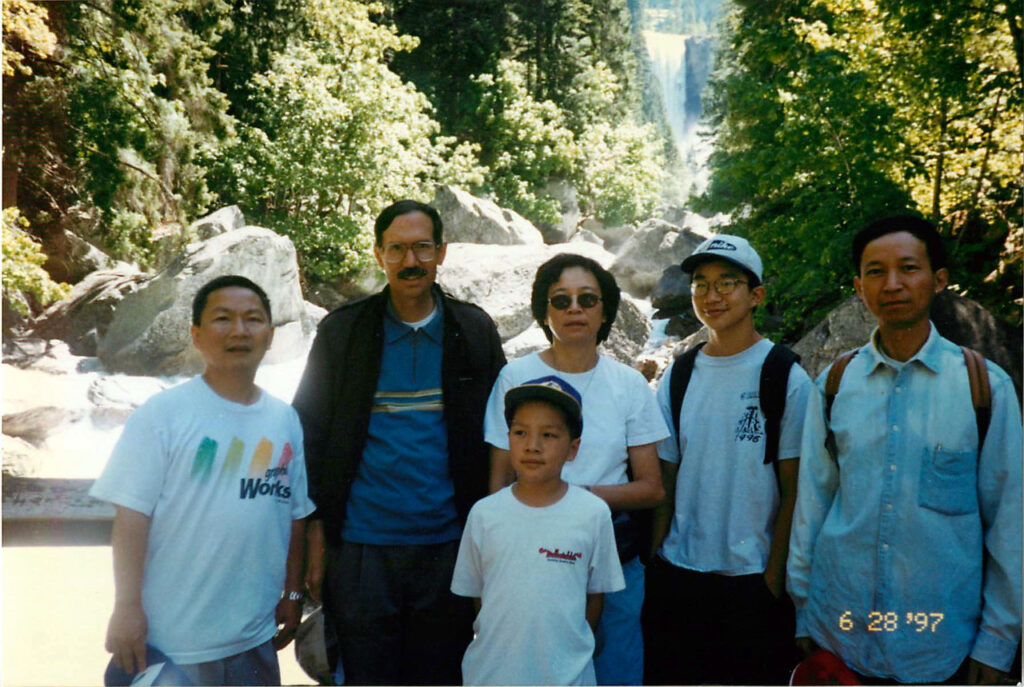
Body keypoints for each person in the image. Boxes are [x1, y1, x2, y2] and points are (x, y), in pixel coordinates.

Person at [787, 216, 1022, 684]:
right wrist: (804, 608)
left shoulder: (985, 388)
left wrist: (999, 640)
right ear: (858, 286)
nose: (892, 284)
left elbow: (1010, 521)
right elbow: (813, 503)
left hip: (941, 643)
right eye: (875, 272)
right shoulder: (834, 384)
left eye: (908, 268)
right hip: (840, 632)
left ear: (938, 279)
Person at [292, 199, 506, 685]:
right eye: (397, 250)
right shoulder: (343, 332)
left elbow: (500, 438)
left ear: (442, 252)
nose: (411, 262)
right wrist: (315, 534)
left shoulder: (473, 331)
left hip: (450, 547)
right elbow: (310, 433)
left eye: (422, 248)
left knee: (443, 674)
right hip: (363, 547)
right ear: (379, 255)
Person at [91, 275, 316, 686]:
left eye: (252, 319)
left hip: (254, 641)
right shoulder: (162, 416)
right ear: (196, 335)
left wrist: (293, 593)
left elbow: (294, 514)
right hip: (171, 643)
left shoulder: (284, 420)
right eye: (222, 319)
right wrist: (126, 607)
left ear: (270, 335)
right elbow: (131, 520)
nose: (239, 330)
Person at [482, 253, 668, 685]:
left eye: (587, 299)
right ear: (544, 312)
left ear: (605, 311)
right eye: (560, 301)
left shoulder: (629, 385)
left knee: (616, 671)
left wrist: (572, 498)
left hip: (616, 555)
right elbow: (497, 483)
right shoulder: (516, 379)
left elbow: (652, 488)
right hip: (532, 560)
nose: (574, 310)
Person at [643, 235, 812, 684]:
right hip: (679, 575)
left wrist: (773, 581)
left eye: (727, 283)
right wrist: (656, 558)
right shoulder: (679, 373)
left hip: (751, 579)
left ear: (756, 295)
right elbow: (667, 472)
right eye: (701, 283)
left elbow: (796, 488)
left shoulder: (785, 375)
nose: (711, 295)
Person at [453, 376, 625, 685]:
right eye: (521, 433)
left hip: (567, 677)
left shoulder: (592, 513)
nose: (532, 446)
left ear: (573, 448)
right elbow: (478, 597)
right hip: (492, 675)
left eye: (548, 434)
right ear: (508, 440)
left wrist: (567, 653)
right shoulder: (484, 514)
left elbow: (594, 597)